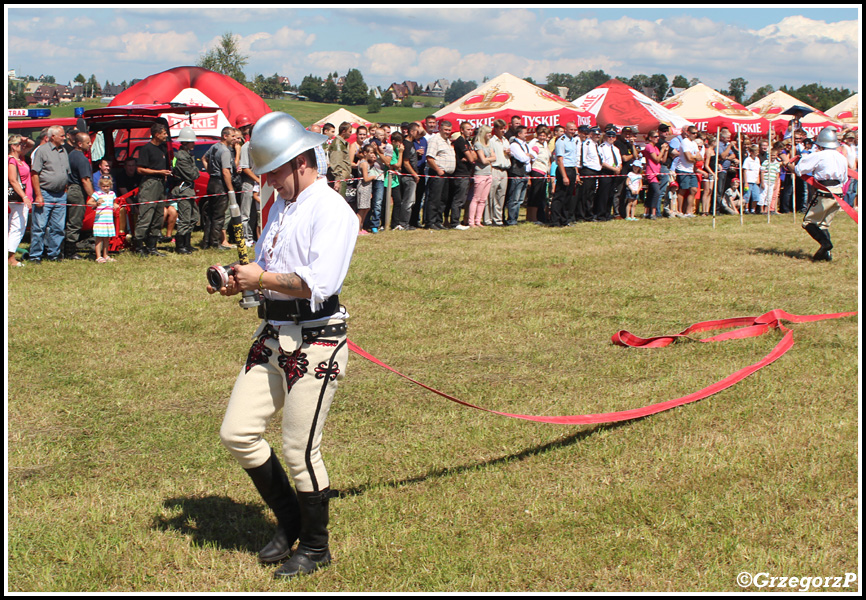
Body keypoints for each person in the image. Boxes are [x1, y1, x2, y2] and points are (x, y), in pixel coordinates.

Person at [211, 111, 357, 580]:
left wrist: (263, 277)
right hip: (272, 335)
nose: (267, 179)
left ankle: (316, 547)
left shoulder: (331, 209)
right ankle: (290, 521)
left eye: (273, 170)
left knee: (299, 450)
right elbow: (264, 266)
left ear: (299, 161)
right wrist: (241, 281)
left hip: (318, 340)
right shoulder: (280, 203)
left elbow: (318, 284)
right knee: (237, 433)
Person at [789, 127, 849, 261]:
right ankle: (826, 255)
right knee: (823, 225)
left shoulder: (819, 155)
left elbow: (800, 170)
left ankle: (825, 245)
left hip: (824, 191)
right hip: (838, 192)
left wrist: (790, 166)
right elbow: (845, 178)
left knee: (808, 222)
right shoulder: (841, 157)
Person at [29, 125, 70, 263]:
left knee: (58, 227)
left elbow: (65, 172)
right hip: (45, 193)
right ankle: (35, 255)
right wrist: (38, 195)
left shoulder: (63, 151)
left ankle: (54, 254)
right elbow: (35, 174)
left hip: (60, 195)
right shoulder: (42, 151)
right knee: (39, 227)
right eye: (62, 135)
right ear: (53, 136)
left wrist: (65, 187)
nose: (64, 138)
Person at [135, 123, 173, 256]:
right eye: (164, 133)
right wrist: (158, 172)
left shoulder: (163, 148)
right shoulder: (146, 149)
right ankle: (139, 246)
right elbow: (140, 169)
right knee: (146, 215)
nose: (166, 136)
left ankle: (152, 246)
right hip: (150, 184)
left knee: (158, 215)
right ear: (156, 134)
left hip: (161, 184)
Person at [201, 127, 237, 251]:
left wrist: (210, 171)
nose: (234, 139)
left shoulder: (214, 147)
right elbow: (226, 172)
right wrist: (230, 189)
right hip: (220, 184)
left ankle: (206, 242)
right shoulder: (225, 151)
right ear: (225, 136)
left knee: (210, 214)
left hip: (212, 182)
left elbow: (203, 158)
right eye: (232, 136)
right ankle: (215, 243)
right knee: (218, 216)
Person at [170, 126, 201, 254]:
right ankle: (180, 245)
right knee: (185, 218)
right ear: (185, 142)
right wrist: (195, 170)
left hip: (189, 190)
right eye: (191, 142)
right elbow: (193, 174)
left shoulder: (187, 155)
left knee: (194, 217)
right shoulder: (182, 156)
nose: (193, 144)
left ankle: (187, 243)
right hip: (184, 190)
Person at [8, 134, 35, 267]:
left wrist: (24, 139)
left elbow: (31, 144)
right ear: (13, 146)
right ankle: (11, 257)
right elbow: (13, 180)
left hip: (23, 198)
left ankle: (10, 254)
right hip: (18, 198)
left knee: (16, 226)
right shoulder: (11, 160)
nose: (23, 146)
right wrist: (24, 197)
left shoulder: (20, 158)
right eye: (19, 144)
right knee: (17, 227)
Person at [425, 120, 456, 230]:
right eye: (446, 130)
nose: (447, 132)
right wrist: (437, 169)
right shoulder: (435, 140)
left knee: (443, 199)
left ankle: (438, 221)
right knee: (434, 198)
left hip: (446, 174)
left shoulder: (447, 141)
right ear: (440, 129)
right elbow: (429, 157)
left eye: (449, 130)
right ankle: (431, 222)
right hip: (438, 173)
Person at [549, 121, 580, 227]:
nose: (573, 132)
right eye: (571, 129)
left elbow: (574, 159)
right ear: (566, 129)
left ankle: (564, 219)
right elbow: (560, 160)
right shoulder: (561, 141)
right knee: (560, 196)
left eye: (574, 130)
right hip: (564, 169)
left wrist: (576, 174)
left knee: (568, 197)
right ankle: (555, 220)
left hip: (571, 169)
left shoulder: (573, 141)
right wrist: (564, 176)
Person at [449, 121, 475, 229]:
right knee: (458, 199)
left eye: (471, 129)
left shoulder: (467, 142)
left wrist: (470, 156)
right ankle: (454, 222)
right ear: (462, 130)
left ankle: (456, 221)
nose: (470, 131)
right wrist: (470, 157)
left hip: (466, 173)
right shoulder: (460, 141)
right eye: (468, 129)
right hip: (461, 173)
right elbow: (472, 158)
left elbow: (474, 157)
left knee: (462, 199)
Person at [395, 122, 420, 230]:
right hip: (408, 177)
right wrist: (415, 174)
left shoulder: (412, 143)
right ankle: (403, 223)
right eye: (416, 131)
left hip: (411, 177)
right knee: (408, 201)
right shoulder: (406, 144)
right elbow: (406, 162)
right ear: (412, 132)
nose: (418, 134)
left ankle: (406, 222)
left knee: (411, 201)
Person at [485, 119, 510, 226]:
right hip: (494, 169)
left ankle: (498, 219)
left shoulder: (505, 140)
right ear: (495, 129)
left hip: (504, 170)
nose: (503, 131)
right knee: (490, 195)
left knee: (501, 196)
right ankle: (488, 219)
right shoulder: (491, 141)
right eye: (501, 129)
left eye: (504, 128)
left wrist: (509, 153)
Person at [468, 124, 494, 227]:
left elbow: (494, 157)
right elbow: (483, 160)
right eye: (488, 133)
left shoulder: (489, 144)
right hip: (480, 174)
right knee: (476, 198)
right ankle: (471, 221)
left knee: (483, 199)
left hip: (489, 173)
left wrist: (487, 159)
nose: (489, 135)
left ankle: (478, 220)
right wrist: (488, 159)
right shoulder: (478, 144)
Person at [505, 126, 532, 226]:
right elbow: (522, 158)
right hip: (517, 173)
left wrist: (528, 155)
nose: (526, 135)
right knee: (514, 199)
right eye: (525, 133)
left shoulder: (526, 145)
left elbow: (534, 155)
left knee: (520, 199)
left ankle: (515, 218)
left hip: (525, 173)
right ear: (519, 134)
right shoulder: (515, 145)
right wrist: (527, 156)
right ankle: (512, 219)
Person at [88, 175, 117, 263]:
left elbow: (115, 202)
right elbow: (89, 202)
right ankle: (98, 256)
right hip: (100, 220)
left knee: (106, 238)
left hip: (109, 220)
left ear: (110, 186)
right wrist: (96, 203)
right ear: (100, 186)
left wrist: (115, 204)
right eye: (103, 186)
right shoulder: (97, 194)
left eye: (107, 186)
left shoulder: (112, 194)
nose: (105, 188)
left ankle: (106, 255)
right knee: (99, 238)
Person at [595, 129, 622, 221]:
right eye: (609, 136)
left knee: (611, 194)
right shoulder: (601, 147)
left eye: (613, 136)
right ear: (606, 137)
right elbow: (602, 162)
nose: (611, 138)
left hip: (615, 173)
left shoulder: (616, 149)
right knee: (603, 194)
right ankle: (601, 214)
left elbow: (619, 161)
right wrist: (614, 169)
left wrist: (618, 169)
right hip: (606, 172)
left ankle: (607, 213)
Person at [526, 125, 551, 223]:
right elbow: (532, 158)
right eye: (541, 135)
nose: (542, 137)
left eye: (544, 135)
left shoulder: (545, 145)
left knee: (541, 195)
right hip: (537, 171)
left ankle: (538, 216)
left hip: (544, 172)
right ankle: (532, 217)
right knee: (535, 195)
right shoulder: (535, 145)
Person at [642, 129, 667, 220]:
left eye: (658, 136)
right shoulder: (649, 146)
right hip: (651, 172)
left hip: (657, 172)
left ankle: (647, 212)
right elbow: (656, 159)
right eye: (655, 137)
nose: (657, 138)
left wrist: (665, 151)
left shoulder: (656, 148)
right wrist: (662, 150)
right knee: (657, 192)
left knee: (652, 193)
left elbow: (662, 160)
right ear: (650, 138)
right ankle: (653, 212)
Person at [355, 143, 378, 234]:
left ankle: (361, 226)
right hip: (363, 188)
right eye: (370, 153)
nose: (372, 155)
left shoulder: (367, 163)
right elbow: (365, 178)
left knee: (366, 208)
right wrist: (373, 177)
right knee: (362, 209)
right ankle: (357, 228)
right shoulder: (364, 163)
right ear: (365, 153)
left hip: (368, 188)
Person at [742, 144, 763, 214]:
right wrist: (745, 182)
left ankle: (753, 209)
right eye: (755, 152)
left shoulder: (757, 160)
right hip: (748, 181)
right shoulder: (747, 160)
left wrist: (758, 179)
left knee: (756, 196)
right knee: (747, 195)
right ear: (751, 152)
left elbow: (758, 170)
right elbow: (745, 171)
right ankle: (746, 209)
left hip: (755, 181)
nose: (756, 153)